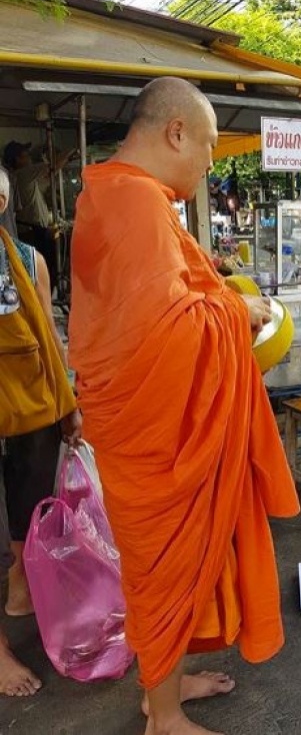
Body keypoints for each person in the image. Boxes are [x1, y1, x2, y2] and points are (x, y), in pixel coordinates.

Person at [69, 76, 300, 735]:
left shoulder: (114, 194)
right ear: (174, 132)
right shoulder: (136, 202)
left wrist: (216, 292)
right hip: (153, 440)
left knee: (163, 573)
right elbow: (171, 331)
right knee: (161, 577)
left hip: (139, 426)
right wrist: (240, 308)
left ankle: (164, 688)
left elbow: (149, 308)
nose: (207, 164)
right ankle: (161, 715)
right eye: (205, 148)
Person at [0, 168, 81, 696]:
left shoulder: (28, 260)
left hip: (31, 403)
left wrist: (69, 405)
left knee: (31, 508)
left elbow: (50, 336)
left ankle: (22, 583)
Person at [3, 141, 74, 292]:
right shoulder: (24, 173)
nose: (29, 158)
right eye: (25, 155)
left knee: (43, 271)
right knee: (43, 273)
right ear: (17, 159)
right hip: (33, 233)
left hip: (34, 231)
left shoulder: (19, 177)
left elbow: (50, 174)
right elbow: (53, 166)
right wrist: (72, 149)